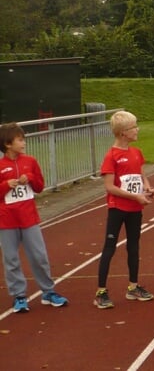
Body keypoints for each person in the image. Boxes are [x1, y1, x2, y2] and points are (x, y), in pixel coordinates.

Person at [0, 123, 68, 312]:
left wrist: (29, 177)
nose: (24, 142)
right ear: (7, 143)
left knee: (39, 256)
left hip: (29, 218)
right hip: (6, 221)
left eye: (23, 139)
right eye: (20, 140)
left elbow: (39, 186)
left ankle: (48, 291)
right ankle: (19, 296)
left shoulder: (30, 161)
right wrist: (6, 185)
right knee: (11, 259)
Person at [94, 110, 154, 309]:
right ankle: (101, 292)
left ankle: (133, 286)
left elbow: (140, 174)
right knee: (109, 248)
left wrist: (147, 187)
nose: (137, 130)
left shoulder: (135, 152)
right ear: (123, 133)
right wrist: (134, 196)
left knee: (134, 246)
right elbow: (110, 187)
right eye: (133, 127)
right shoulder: (111, 156)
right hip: (118, 208)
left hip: (135, 208)